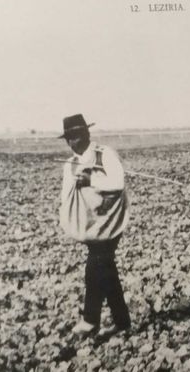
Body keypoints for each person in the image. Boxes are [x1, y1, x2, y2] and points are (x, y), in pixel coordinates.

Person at [58, 114, 131, 337]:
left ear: (86, 134)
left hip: (109, 221)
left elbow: (118, 183)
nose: (72, 142)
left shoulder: (104, 154)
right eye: (68, 138)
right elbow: (66, 197)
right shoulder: (70, 165)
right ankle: (121, 322)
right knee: (105, 268)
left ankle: (91, 320)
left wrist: (91, 180)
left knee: (95, 265)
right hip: (90, 224)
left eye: (75, 136)